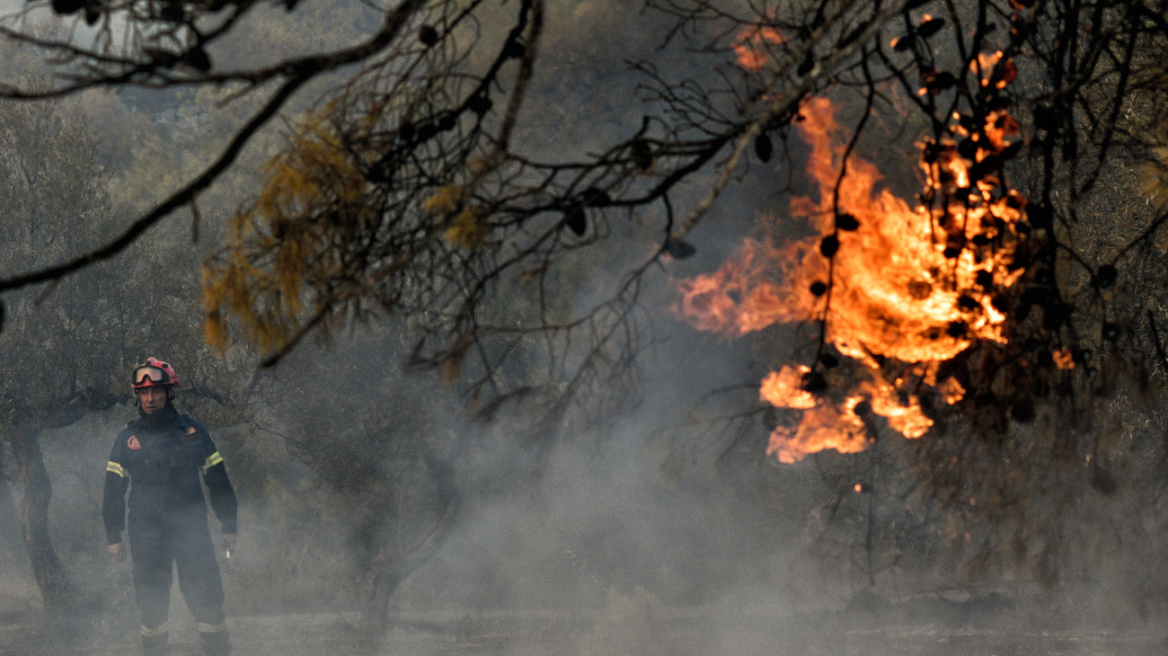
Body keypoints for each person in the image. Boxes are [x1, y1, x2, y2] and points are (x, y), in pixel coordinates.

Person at [103, 358, 237, 656]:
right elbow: (113, 491)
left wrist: (229, 525)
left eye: (157, 392)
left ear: (169, 392)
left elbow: (218, 480)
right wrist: (113, 535)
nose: (150, 399)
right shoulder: (128, 439)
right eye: (143, 393)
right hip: (146, 533)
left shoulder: (194, 432)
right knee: (152, 605)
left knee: (207, 598)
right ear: (137, 396)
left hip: (191, 531)